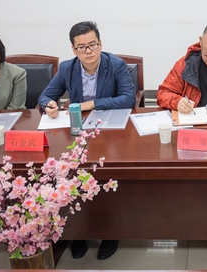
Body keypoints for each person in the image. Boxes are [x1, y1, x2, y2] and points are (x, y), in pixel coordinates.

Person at [37, 21, 135, 260]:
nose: (88, 51)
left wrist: (90, 104)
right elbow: (45, 95)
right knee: (73, 173)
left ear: (100, 44)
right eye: (82, 47)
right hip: (78, 131)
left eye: (92, 45)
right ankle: (79, 232)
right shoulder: (67, 68)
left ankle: (110, 232)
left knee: (105, 174)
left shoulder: (116, 64)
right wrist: (49, 105)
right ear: (74, 49)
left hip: (109, 132)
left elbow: (128, 98)